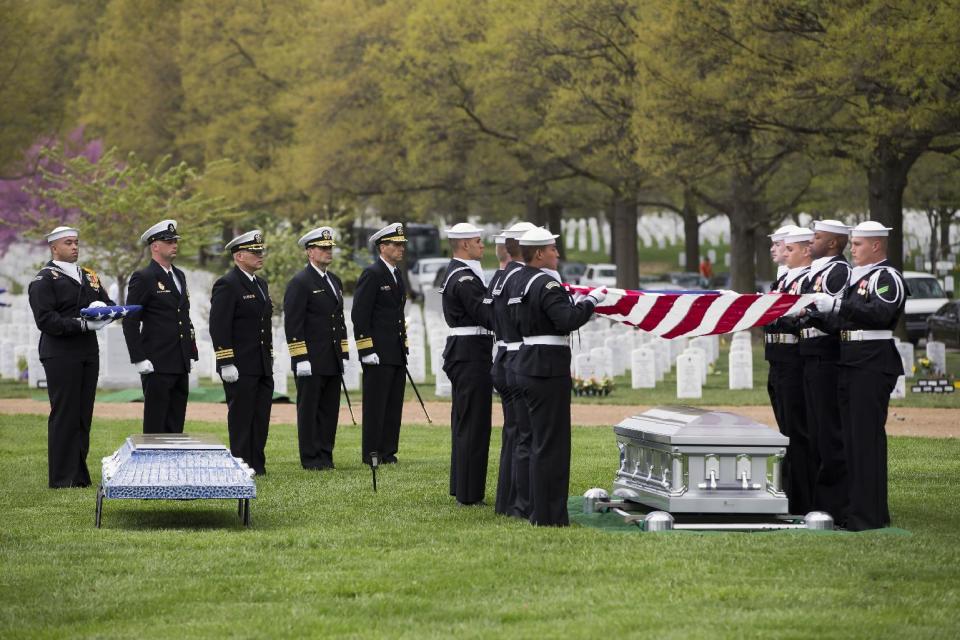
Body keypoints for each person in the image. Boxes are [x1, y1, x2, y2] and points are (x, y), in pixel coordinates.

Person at [807, 221, 905, 531]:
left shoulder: (886, 277)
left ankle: (869, 516)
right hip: (850, 361)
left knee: (865, 442)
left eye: (859, 244)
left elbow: (881, 313)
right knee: (849, 442)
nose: (852, 249)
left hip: (872, 363)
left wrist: (837, 304)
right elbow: (842, 324)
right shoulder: (857, 279)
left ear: (877, 246)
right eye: (852, 243)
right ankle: (853, 511)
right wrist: (813, 315)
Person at [505, 227, 606, 526]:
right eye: (552, 249)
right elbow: (567, 320)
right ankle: (549, 516)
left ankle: (537, 509)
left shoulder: (519, 279)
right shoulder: (545, 283)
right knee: (552, 446)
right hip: (546, 368)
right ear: (538, 254)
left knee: (537, 442)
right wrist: (591, 302)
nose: (557, 254)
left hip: (526, 363)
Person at [28, 226, 114, 488]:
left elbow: (106, 303)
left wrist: (107, 312)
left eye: (76, 242)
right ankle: (62, 477)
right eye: (68, 243)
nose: (75, 247)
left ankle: (79, 474)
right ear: (54, 248)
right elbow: (46, 320)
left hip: (87, 351)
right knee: (65, 413)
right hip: (60, 352)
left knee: (82, 414)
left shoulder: (88, 276)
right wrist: (82, 325)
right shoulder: (44, 280)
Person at [796, 220, 851, 521]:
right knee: (815, 433)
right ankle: (818, 500)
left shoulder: (839, 271)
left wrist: (810, 317)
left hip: (825, 356)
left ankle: (834, 505)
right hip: (808, 354)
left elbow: (835, 312)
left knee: (828, 434)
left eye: (816, 237)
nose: (810, 242)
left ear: (832, 243)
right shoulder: (816, 271)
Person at [122, 220, 198, 434]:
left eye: (175, 240)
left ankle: (173, 466)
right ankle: (153, 466)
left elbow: (183, 315)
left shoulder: (179, 275)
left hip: (179, 360)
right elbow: (130, 320)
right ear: (155, 246)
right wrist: (138, 357)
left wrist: (191, 350)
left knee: (176, 421)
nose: (174, 244)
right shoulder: (143, 277)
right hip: (156, 361)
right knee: (156, 422)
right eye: (168, 241)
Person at [283, 227, 348, 470]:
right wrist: (300, 357)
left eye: (330, 248)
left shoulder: (333, 280)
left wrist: (342, 352)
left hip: (331, 358)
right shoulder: (300, 282)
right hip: (310, 359)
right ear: (310, 252)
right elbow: (294, 323)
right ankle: (310, 458)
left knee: (329, 410)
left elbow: (338, 320)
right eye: (323, 248)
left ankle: (325, 454)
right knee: (309, 410)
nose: (328, 252)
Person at [209, 230, 273, 475]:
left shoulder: (261, 284)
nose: (260, 256)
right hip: (240, 365)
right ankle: (240, 462)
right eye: (254, 252)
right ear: (239, 256)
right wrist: (226, 361)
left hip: (261, 363)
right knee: (241, 418)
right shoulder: (228, 284)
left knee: (260, 417)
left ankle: (257, 462)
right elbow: (219, 325)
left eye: (260, 251)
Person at [440, 222, 495, 506]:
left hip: (468, 351)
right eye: (478, 241)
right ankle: (469, 493)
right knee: (473, 423)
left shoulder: (462, 273)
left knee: (466, 422)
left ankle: (462, 487)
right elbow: (486, 314)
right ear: (464, 245)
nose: (482, 246)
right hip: (470, 353)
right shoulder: (464, 278)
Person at [486, 221, 536, 517]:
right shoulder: (521, 278)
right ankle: (521, 503)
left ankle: (507, 500)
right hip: (519, 357)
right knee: (523, 436)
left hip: (503, 355)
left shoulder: (501, 277)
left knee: (513, 433)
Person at [352, 223, 408, 465]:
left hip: (395, 351)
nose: (401, 248)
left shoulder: (396, 274)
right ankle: (372, 453)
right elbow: (360, 315)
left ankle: (388, 451)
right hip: (377, 352)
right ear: (382, 247)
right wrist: (366, 349)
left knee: (393, 405)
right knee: (376, 406)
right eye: (396, 244)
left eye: (402, 244)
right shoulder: (372, 274)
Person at [769, 226, 816, 515]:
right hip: (777, 358)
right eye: (779, 247)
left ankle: (803, 498)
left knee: (797, 432)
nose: (780, 252)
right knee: (787, 431)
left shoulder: (806, 280)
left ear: (804, 250)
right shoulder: (785, 280)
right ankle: (791, 491)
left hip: (793, 359)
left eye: (787, 248)